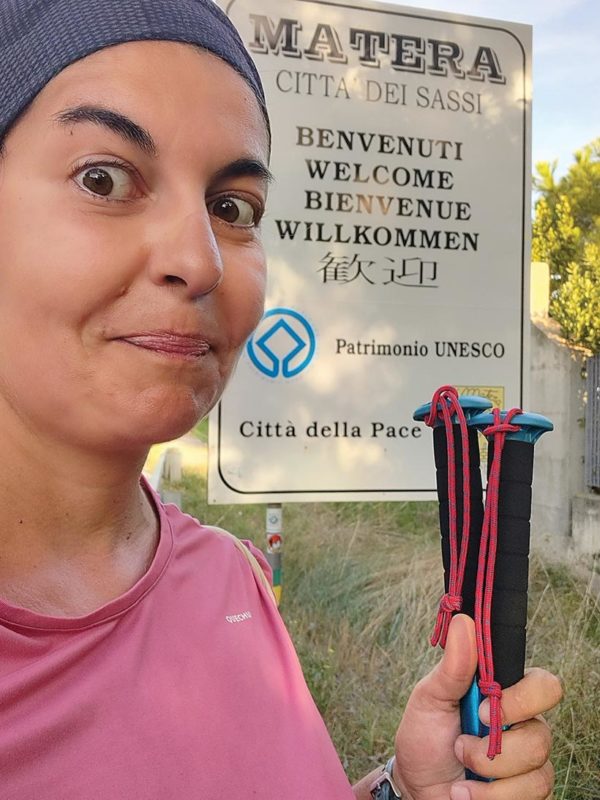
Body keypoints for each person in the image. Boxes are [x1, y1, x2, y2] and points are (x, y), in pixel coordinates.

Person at [0, 1, 561, 798]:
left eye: (232, 209)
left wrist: (408, 789)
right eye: (105, 178)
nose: (199, 260)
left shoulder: (227, 577)